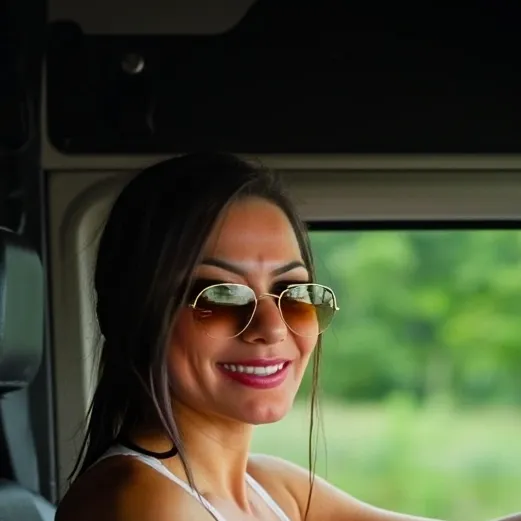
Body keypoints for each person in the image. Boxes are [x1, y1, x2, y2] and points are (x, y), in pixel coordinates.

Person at [55, 152, 519, 521]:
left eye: (292, 293)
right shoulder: (143, 502)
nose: (272, 327)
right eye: (221, 295)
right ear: (136, 313)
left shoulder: (271, 488)